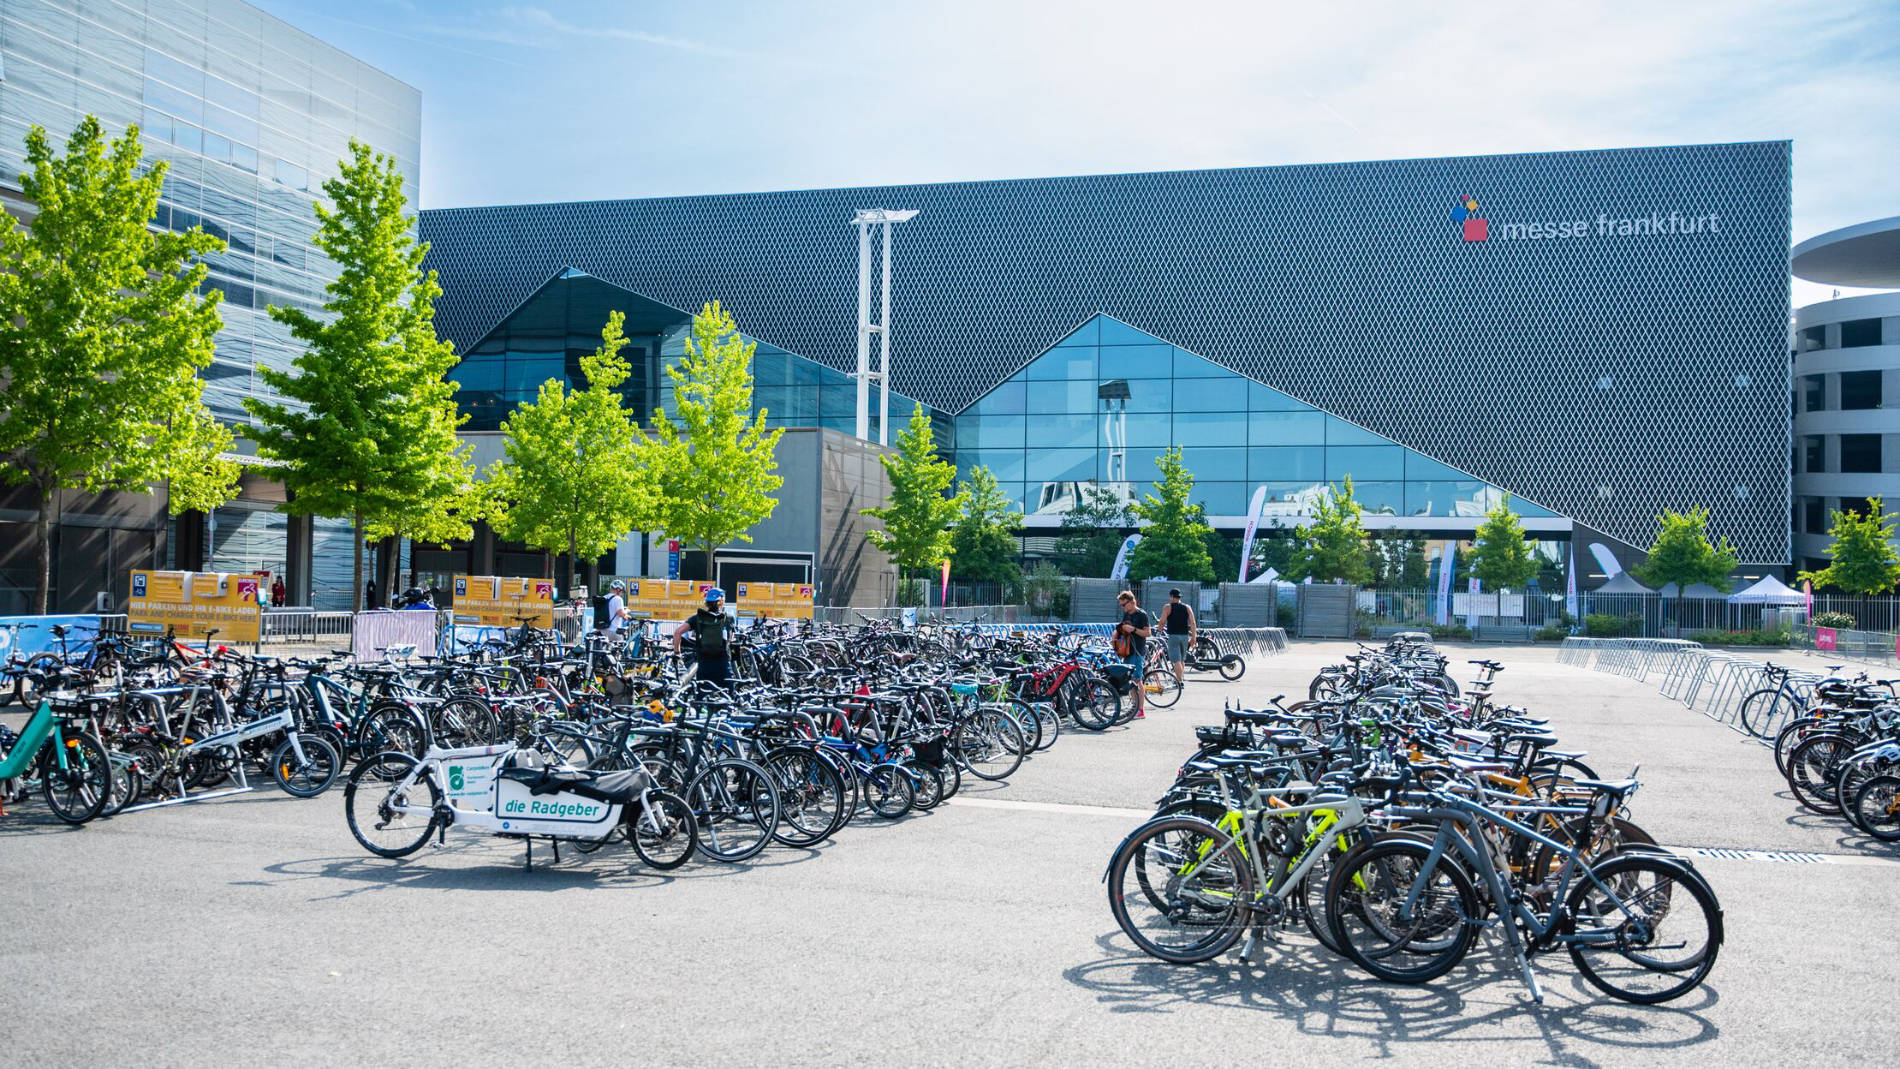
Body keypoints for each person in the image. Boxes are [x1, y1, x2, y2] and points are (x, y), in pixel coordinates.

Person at [673, 587, 735, 687]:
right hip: (723, 664)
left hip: (703, 664)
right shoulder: (729, 618)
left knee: (702, 697)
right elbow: (730, 639)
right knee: (730, 697)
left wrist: (677, 653)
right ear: (721, 601)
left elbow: (677, 632)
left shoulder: (697, 618)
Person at [1115, 589, 1152, 720]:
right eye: (1121, 605)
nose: (1122, 607)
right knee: (1129, 680)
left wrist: (1134, 630)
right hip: (1127, 651)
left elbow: (1148, 633)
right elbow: (1123, 628)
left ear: (1131, 602)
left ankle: (1140, 710)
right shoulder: (1127, 615)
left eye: (1123, 604)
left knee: (1137, 680)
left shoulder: (1142, 615)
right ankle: (1134, 707)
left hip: (1137, 651)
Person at [1162, 588, 1197, 685]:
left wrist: (1159, 630)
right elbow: (1193, 622)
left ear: (1172, 597)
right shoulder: (1187, 607)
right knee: (1182, 659)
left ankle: (1179, 681)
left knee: (1176, 660)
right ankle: (1180, 677)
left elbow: (1162, 621)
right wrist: (1194, 637)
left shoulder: (1168, 607)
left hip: (1173, 636)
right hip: (1185, 636)